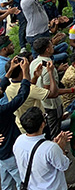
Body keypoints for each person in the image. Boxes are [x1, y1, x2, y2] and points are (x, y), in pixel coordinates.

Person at [13, 106, 71, 190]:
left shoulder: (19, 140)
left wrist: (54, 146)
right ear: (43, 124)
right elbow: (64, 165)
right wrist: (60, 148)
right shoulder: (50, 148)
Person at [0, 56, 31, 190]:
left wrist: (9, 72)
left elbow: (1, 87)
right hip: (9, 152)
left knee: (6, 183)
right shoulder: (2, 111)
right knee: (22, 181)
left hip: (2, 154)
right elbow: (21, 97)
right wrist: (25, 74)